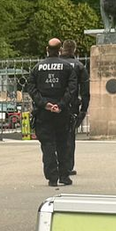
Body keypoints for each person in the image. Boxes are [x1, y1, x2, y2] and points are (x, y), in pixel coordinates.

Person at [30, 37, 79, 187]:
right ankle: (64, 176)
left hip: (43, 113)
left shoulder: (37, 68)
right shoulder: (67, 67)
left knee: (48, 145)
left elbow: (32, 89)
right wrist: (61, 105)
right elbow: (72, 89)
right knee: (63, 144)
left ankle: (52, 177)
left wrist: (45, 104)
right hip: (62, 113)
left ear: (47, 50)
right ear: (59, 50)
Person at [61, 39, 89, 177]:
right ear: (74, 50)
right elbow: (85, 91)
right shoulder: (79, 66)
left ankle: (55, 163)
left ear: (62, 49)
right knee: (69, 136)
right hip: (71, 105)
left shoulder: (54, 63)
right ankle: (67, 165)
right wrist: (84, 110)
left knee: (54, 135)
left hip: (53, 104)